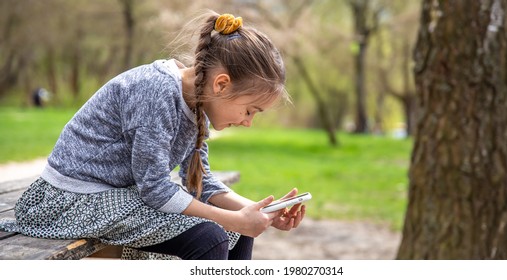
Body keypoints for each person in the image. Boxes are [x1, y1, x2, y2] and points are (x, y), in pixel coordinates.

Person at [0, 11, 306, 260]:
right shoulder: (156, 91)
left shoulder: (197, 104)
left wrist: (257, 212)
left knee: (234, 233)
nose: (248, 122)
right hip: (68, 199)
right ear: (222, 85)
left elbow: (200, 183)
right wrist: (231, 219)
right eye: (250, 110)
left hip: (115, 196)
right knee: (211, 236)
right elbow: (156, 191)